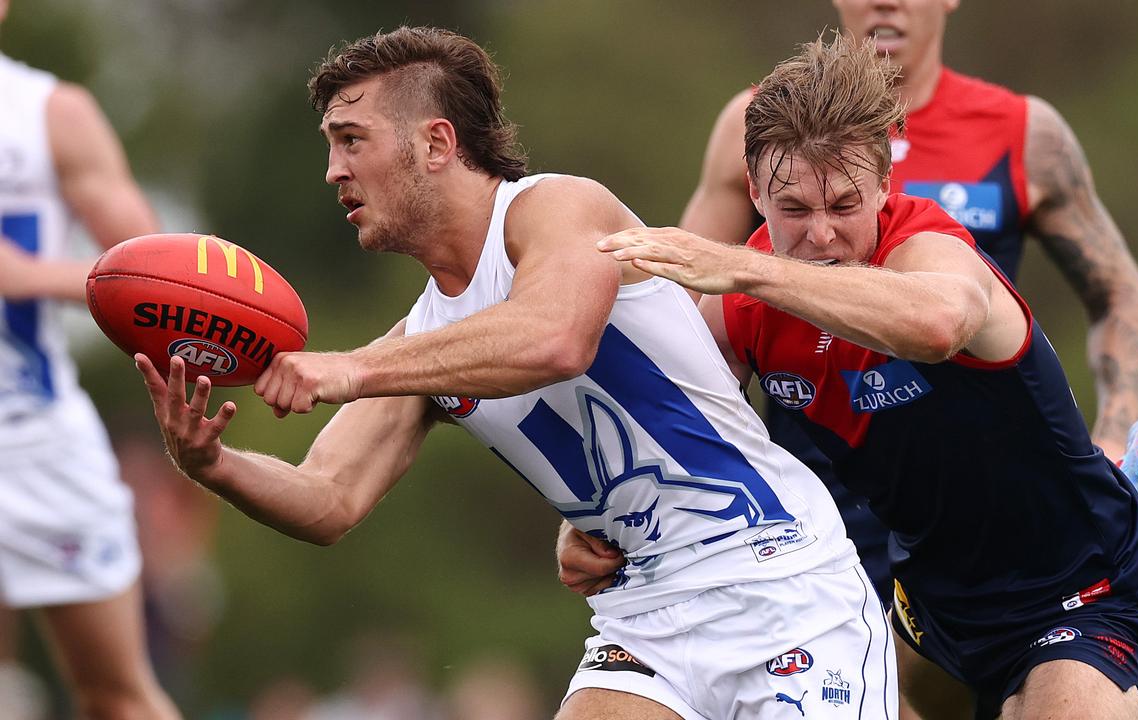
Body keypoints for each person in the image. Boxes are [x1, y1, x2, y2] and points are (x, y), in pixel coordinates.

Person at [134, 26, 896, 719]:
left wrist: (354, 367)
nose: (333, 170)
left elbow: (554, 336)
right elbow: (327, 497)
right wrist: (212, 464)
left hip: (779, 582)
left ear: (436, 143)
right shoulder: (422, 340)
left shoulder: (558, 209)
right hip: (645, 616)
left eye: (351, 139)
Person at [584, 35, 1138, 719]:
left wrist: (751, 268)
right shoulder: (743, 308)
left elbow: (936, 324)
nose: (821, 236)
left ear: (886, 185)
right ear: (754, 191)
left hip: (1081, 591)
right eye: (794, 211)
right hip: (924, 610)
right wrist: (597, 520)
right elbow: (667, 439)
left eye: (843, 206)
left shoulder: (928, 251)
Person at [680, 0, 1138, 524]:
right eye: (796, 207)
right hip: (814, 501)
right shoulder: (760, 127)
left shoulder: (1022, 131)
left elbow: (1116, 292)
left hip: (978, 488)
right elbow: (683, 302)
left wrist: (1112, 436)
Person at [0, 1, 181, 717]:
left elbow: (163, 281)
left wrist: (28, 274)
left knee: (118, 697)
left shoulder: (49, 114)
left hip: (35, 438)